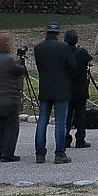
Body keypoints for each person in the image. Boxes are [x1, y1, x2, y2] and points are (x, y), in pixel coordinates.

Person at [32, 22, 75, 164]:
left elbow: (40, 67)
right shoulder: (64, 48)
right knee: (60, 122)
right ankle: (60, 153)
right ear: (58, 34)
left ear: (46, 33)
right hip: (61, 88)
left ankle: (40, 153)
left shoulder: (38, 48)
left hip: (45, 87)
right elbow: (72, 67)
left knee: (42, 120)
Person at [0, 33, 26, 162]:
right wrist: (21, 63)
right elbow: (19, 71)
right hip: (10, 99)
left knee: (0, 127)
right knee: (11, 127)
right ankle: (8, 153)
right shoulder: (8, 60)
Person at [64, 29, 93, 150]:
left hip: (66, 88)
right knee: (80, 115)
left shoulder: (63, 52)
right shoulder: (81, 52)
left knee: (67, 115)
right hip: (80, 89)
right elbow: (89, 59)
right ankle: (80, 139)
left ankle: (66, 139)